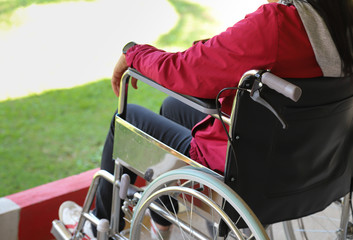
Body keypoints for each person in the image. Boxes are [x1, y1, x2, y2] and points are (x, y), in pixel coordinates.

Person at [59, 0, 353, 239]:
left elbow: (186, 71)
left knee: (126, 118)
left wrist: (133, 53)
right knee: (173, 107)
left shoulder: (279, 23)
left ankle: (96, 226)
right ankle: (163, 218)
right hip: (316, 168)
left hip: (247, 175)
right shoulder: (342, 25)